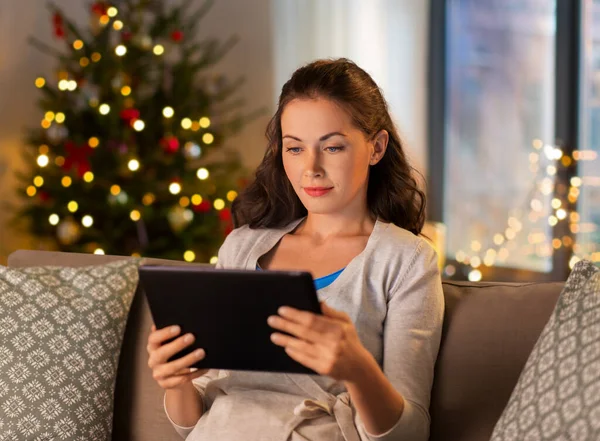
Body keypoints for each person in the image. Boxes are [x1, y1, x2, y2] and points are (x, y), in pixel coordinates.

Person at [146, 58, 444, 441]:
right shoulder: (240, 248)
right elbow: (194, 423)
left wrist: (357, 369)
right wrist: (176, 382)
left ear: (376, 147)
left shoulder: (406, 261)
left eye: (332, 147)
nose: (311, 169)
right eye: (294, 148)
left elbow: (411, 433)